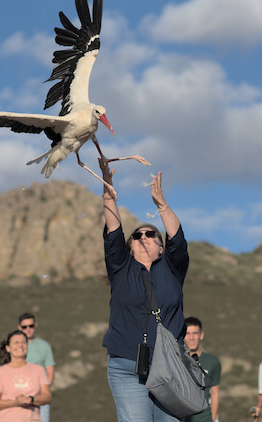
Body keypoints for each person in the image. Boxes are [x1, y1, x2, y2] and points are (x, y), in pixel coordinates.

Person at [99, 158, 190, 422]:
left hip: (169, 366)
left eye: (151, 235)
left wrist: (161, 205)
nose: (143, 238)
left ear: (161, 247)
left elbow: (178, 240)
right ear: (129, 247)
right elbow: (113, 231)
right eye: (137, 236)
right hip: (127, 365)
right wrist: (108, 191)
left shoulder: (172, 269)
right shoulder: (120, 268)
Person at [0, 330, 52, 422]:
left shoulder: (39, 370)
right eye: (16, 342)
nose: (20, 345)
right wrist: (16, 402)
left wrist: (31, 400)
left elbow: (47, 397)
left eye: (23, 342)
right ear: (8, 348)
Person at [18, 313, 55, 422]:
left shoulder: (44, 346)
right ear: (19, 327)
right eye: (25, 327)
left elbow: (50, 372)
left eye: (31, 326)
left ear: (35, 325)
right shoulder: (16, 346)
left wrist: (43, 393)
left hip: (39, 398)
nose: (28, 329)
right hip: (19, 396)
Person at [184, 317, 221, 422]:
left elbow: (215, 392)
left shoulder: (212, 361)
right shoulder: (177, 361)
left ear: (201, 335)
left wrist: (213, 419)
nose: (192, 338)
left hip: (205, 419)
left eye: (195, 333)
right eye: (188, 333)